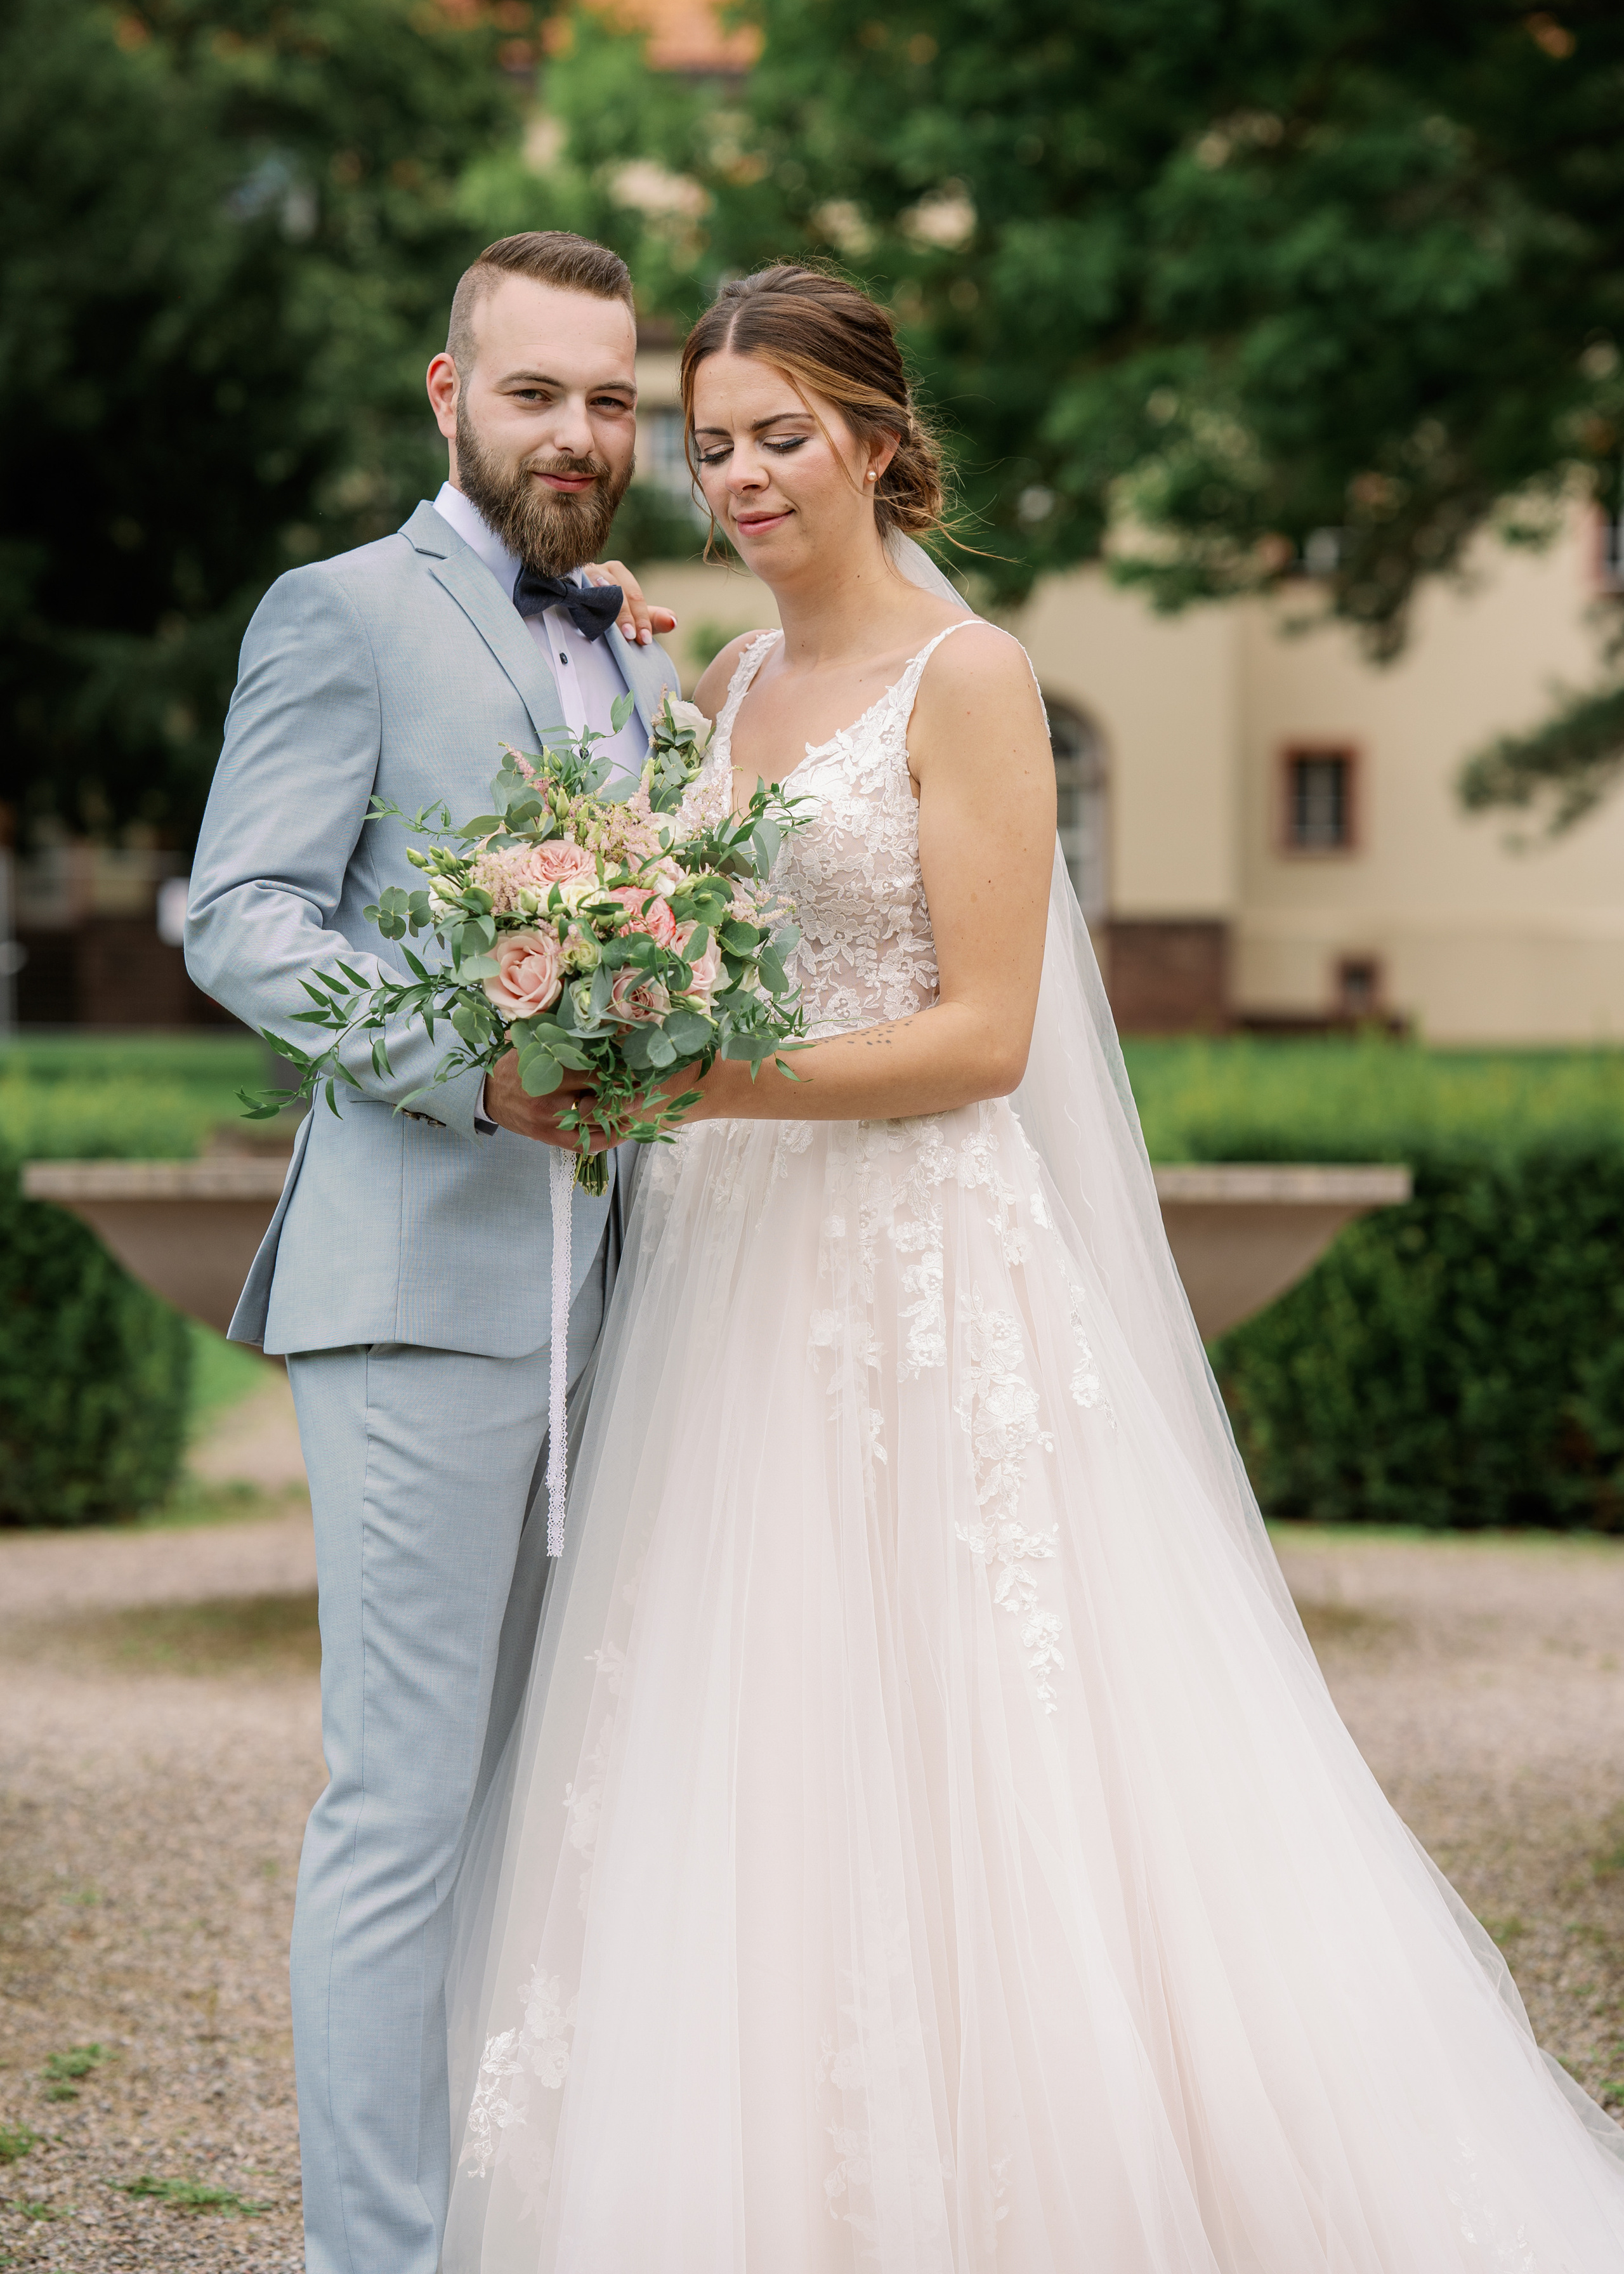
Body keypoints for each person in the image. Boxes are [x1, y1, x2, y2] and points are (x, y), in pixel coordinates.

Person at [441, 264, 1624, 2271]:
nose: (738, 476)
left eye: (782, 435)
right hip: (730, 1282)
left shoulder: (969, 678)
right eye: (712, 441)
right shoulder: (711, 687)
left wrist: (701, 1075)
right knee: (745, 1721)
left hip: (914, 1269)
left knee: (990, 1732)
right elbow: (656, 902)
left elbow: (984, 1038)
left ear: (882, 444)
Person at [184, 230, 680, 2274]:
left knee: (544, 1799)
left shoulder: (638, 648)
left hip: (627, 1303)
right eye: (538, 391)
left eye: (611, 398)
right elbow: (239, 916)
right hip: (418, 1286)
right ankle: (372, 2262)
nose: (578, 433)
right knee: (399, 1816)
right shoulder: (342, 613)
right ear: (446, 394)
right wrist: (468, 1071)